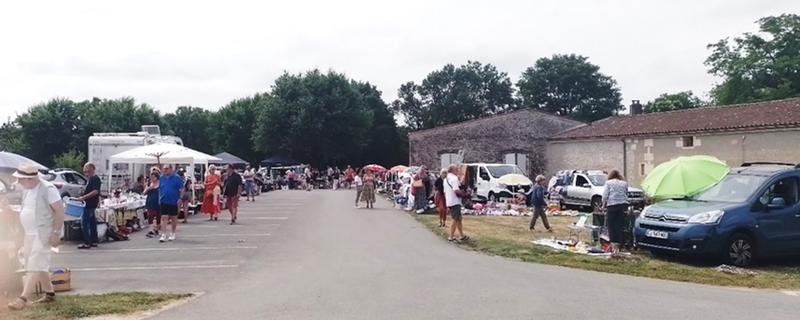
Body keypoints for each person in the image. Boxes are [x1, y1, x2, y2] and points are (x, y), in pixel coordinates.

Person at [7, 164, 65, 310]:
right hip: (29, 233)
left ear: (30, 179)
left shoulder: (48, 189)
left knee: (35, 264)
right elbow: (28, 209)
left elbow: (59, 211)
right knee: (37, 264)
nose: (19, 182)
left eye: (21, 179)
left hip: (43, 233)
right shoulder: (27, 190)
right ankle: (50, 293)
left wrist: (56, 233)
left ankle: (23, 298)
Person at [74, 162, 101, 249]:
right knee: (92, 222)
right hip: (91, 203)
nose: (86, 174)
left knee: (85, 222)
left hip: (90, 203)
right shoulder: (92, 179)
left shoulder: (94, 178)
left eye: (88, 171)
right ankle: (94, 240)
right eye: (85, 172)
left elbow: (95, 191)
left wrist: (84, 197)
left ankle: (87, 242)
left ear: (92, 170)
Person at [603, 169, 629, 254]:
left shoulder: (608, 183)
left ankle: (613, 245)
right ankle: (620, 244)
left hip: (612, 205)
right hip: (623, 205)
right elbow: (626, 194)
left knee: (611, 226)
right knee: (620, 225)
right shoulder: (624, 183)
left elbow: (605, 195)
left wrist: (603, 205)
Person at [158, 165, 184, 243]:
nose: (165, 170)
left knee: (173, 217)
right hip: (164, 200)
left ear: (171, 169)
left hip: (174, 200)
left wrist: (180, 198)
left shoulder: (177, 178)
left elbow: (182, 188)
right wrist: (159, 198)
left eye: (167, 169)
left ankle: (173, 233)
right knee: (164, 217)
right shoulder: (161, 178)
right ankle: (163, 234)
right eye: (164, 169)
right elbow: (160, 188)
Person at [443, 165, 468, 242]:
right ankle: (451, 236)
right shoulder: (454, 178)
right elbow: (456, 190)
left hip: (449, 200)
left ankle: (461, 235)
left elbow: (445, 191)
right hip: (455, 201)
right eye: (456, 169)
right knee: (455, 219)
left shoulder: (446, 179)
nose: (458, 171)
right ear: (453, 170)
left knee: (458, 219)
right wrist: (464, 194)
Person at [144, 171, 161, 238]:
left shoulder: (160, 183)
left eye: (154, 177)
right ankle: (150, 230)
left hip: (158, 201)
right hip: (150, 201)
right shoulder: (149, 184)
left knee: (158, 215)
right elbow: (144, 193)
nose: (152, 178)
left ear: (157, 177)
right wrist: (149, 189)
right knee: (150, 215)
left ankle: (157, 229)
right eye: (151, 177)